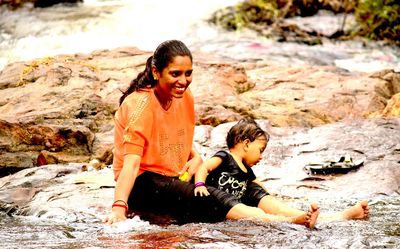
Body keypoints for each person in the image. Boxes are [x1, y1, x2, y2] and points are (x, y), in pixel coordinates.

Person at [103, 40, 318, 228]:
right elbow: (131, 163)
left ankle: (306, 215)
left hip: (175, 178)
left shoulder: (184, 97)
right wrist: (119, 208)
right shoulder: (139, 104)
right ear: (156, 72)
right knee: (211, 196)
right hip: (143, 186)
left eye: (188, 73)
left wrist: (195, 157)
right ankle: (288, 222)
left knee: (233, 182)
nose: (183, 81)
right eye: (175, 74)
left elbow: (177, 139)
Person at [194, 118, 369, 225]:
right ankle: (295, 221)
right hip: (222, 204)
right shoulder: (224, 156)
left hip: (238, 202)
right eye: (261, 150)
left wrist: (272, 196)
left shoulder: (246, 169)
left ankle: (339, 216)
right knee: (258, 215)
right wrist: (200, 184)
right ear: (246, 143)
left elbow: (254, 184)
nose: (261, 157)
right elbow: (205, 166)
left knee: (277, 207)